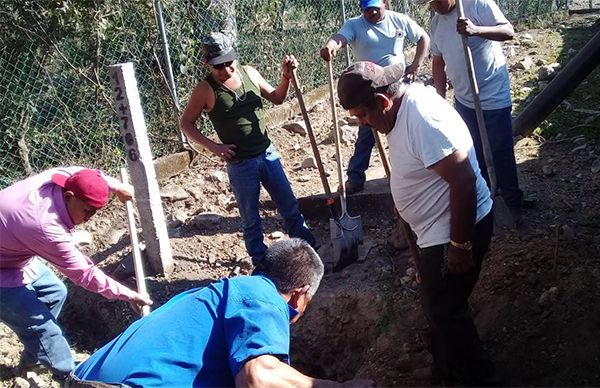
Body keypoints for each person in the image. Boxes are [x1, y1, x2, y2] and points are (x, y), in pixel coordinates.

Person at [337, 61, 500, 385]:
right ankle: (446, 370)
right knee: (438, 306)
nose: (362, 123)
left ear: (383, 101)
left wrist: (459, 245)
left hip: (454, 231)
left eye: (362, 115)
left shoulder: (422, 119)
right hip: (434, 232)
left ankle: (481, 379)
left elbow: (464, 182)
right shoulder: (401, 111)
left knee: (446, 311)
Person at [71, 238, 371, 387]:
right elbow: (260, 377)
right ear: (301, 293)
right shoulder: (263, 297)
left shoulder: (207, 297)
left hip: (81, 379)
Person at [0, 167, 153, 380]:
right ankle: (70, 378)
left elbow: (83, 172)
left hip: (10, 250)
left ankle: (34, 356)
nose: (90, 218)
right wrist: (128, 294)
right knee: (44, 328)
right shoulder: (45, 227)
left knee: (55, 293)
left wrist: (116, 186)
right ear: (69, 196)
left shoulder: (59, 180)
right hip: (3, 269)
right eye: (87, 211)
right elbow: (84, 274)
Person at [180, 32, 317, 265]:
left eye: (229, 63)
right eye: (218, 67)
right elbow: (186, 123)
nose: (226, 70)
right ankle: (261, 262)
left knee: (289, 205)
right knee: (250, 218)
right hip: (240, 163)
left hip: (267, 152)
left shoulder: (250, 73)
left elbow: (277, 98)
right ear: (207, 65)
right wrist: (214, 147)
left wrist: (286, 77)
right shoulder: (205, 89)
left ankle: (308, 250)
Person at [422, 0, 523, 220]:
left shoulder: (477, 4)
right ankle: (486, 199)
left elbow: (508, 31)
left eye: (438, 1)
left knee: (500, 150)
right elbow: (438, 64)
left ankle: (512, 201)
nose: (436, 6)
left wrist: (476, 30)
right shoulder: (437, 23)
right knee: (472, 152)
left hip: (493, 94)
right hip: (464, 101)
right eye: (431, 3)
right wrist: (440, 100)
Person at [320, 0, 430, 194]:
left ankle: (413, 174)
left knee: (404, 129)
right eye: (366, 9)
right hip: (369, 88)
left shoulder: (399, 20)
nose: (371, 12)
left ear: (385, 3)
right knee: (366, 132)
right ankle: (355, 178)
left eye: (375, 8)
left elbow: (423, 38)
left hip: (396, 83)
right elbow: (339, 38)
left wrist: (415, 66)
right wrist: (331, 46)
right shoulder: (354, 24)